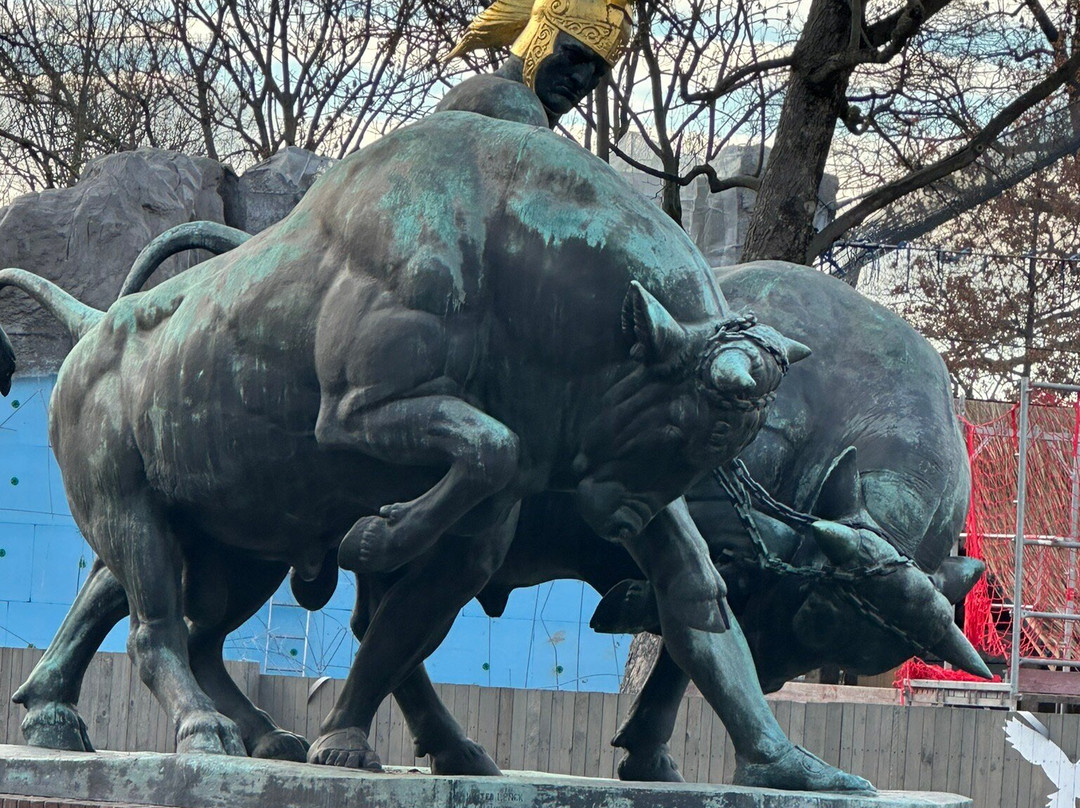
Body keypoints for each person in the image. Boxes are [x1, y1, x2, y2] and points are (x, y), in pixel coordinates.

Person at [439, 0, 631, 127]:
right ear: (539, 36)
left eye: (598, 73)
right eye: (574, 57)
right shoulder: (512, 103)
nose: (582, 80)